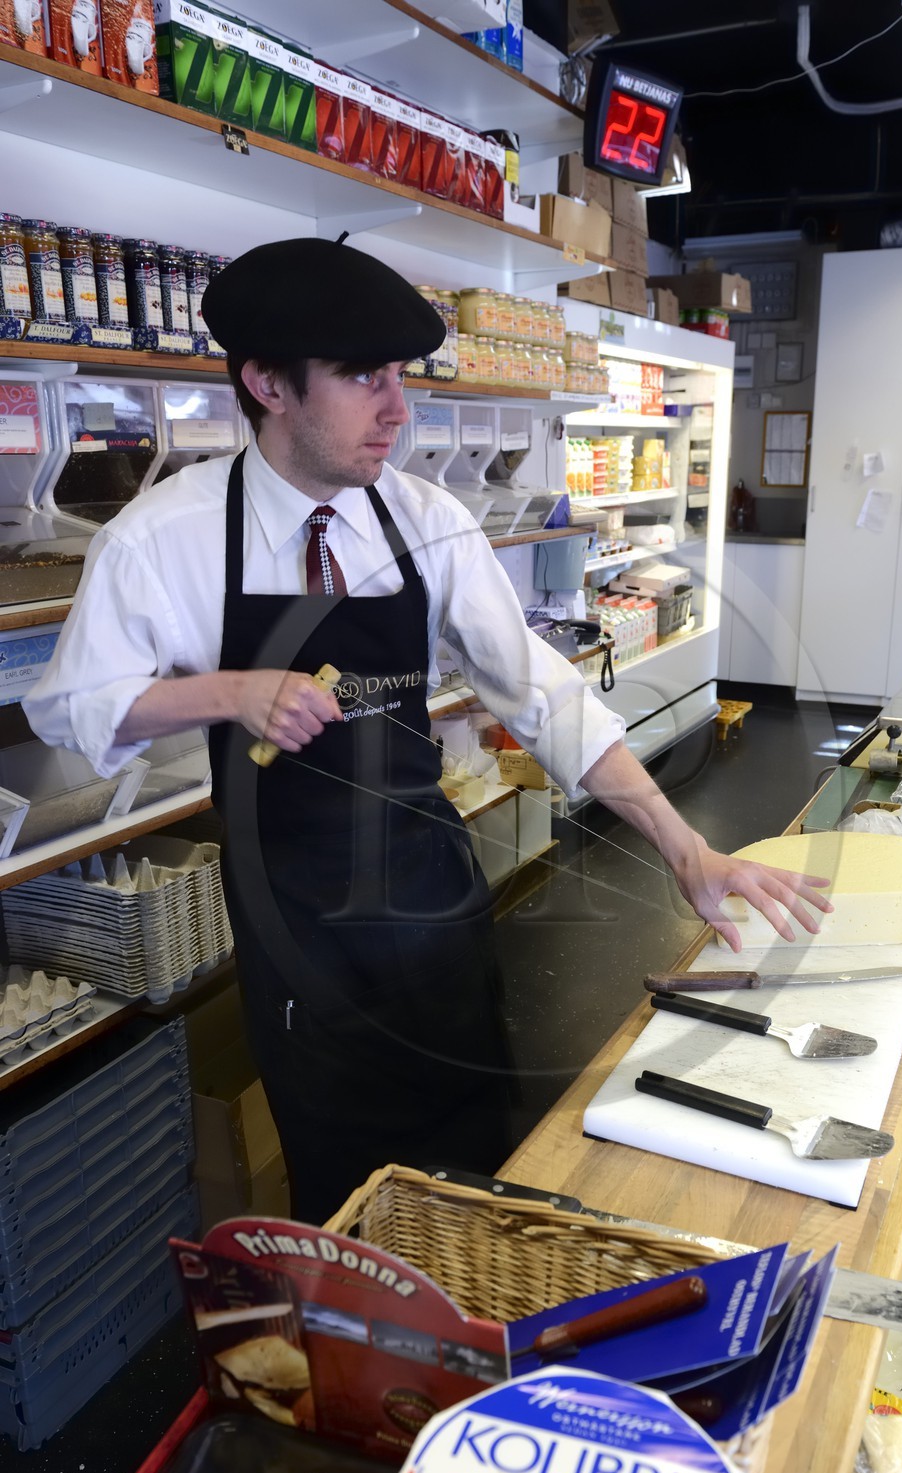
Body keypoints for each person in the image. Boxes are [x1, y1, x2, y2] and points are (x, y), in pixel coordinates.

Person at [26, 237, 830, 1224]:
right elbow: (72, 705)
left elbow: (542, 693)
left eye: (400, 376)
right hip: (298, 927)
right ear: (267, 384)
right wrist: (227, 692)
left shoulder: (424, 518)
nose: (397, 410)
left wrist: (684, 845)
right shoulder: (162, 538)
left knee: (478, 1168)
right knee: (350, 1204)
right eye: (364, 377)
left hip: (433, 901)